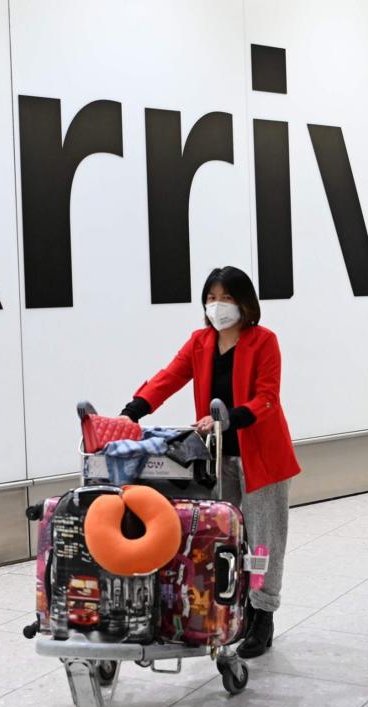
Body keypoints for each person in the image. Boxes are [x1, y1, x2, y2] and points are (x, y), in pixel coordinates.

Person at [120, 266, 300, 658]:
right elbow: (169, 377)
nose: (218, 306)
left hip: (261, 457)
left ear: (245, 303)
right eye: (212, 297)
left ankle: (262, 616)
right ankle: (236, 613)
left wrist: (230, 417)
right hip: (219, 457)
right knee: (229, 538)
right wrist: (134, 410)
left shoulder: (263, 341)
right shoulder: (201, 342)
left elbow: (268, 397)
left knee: (263, 539)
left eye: (227, 298)